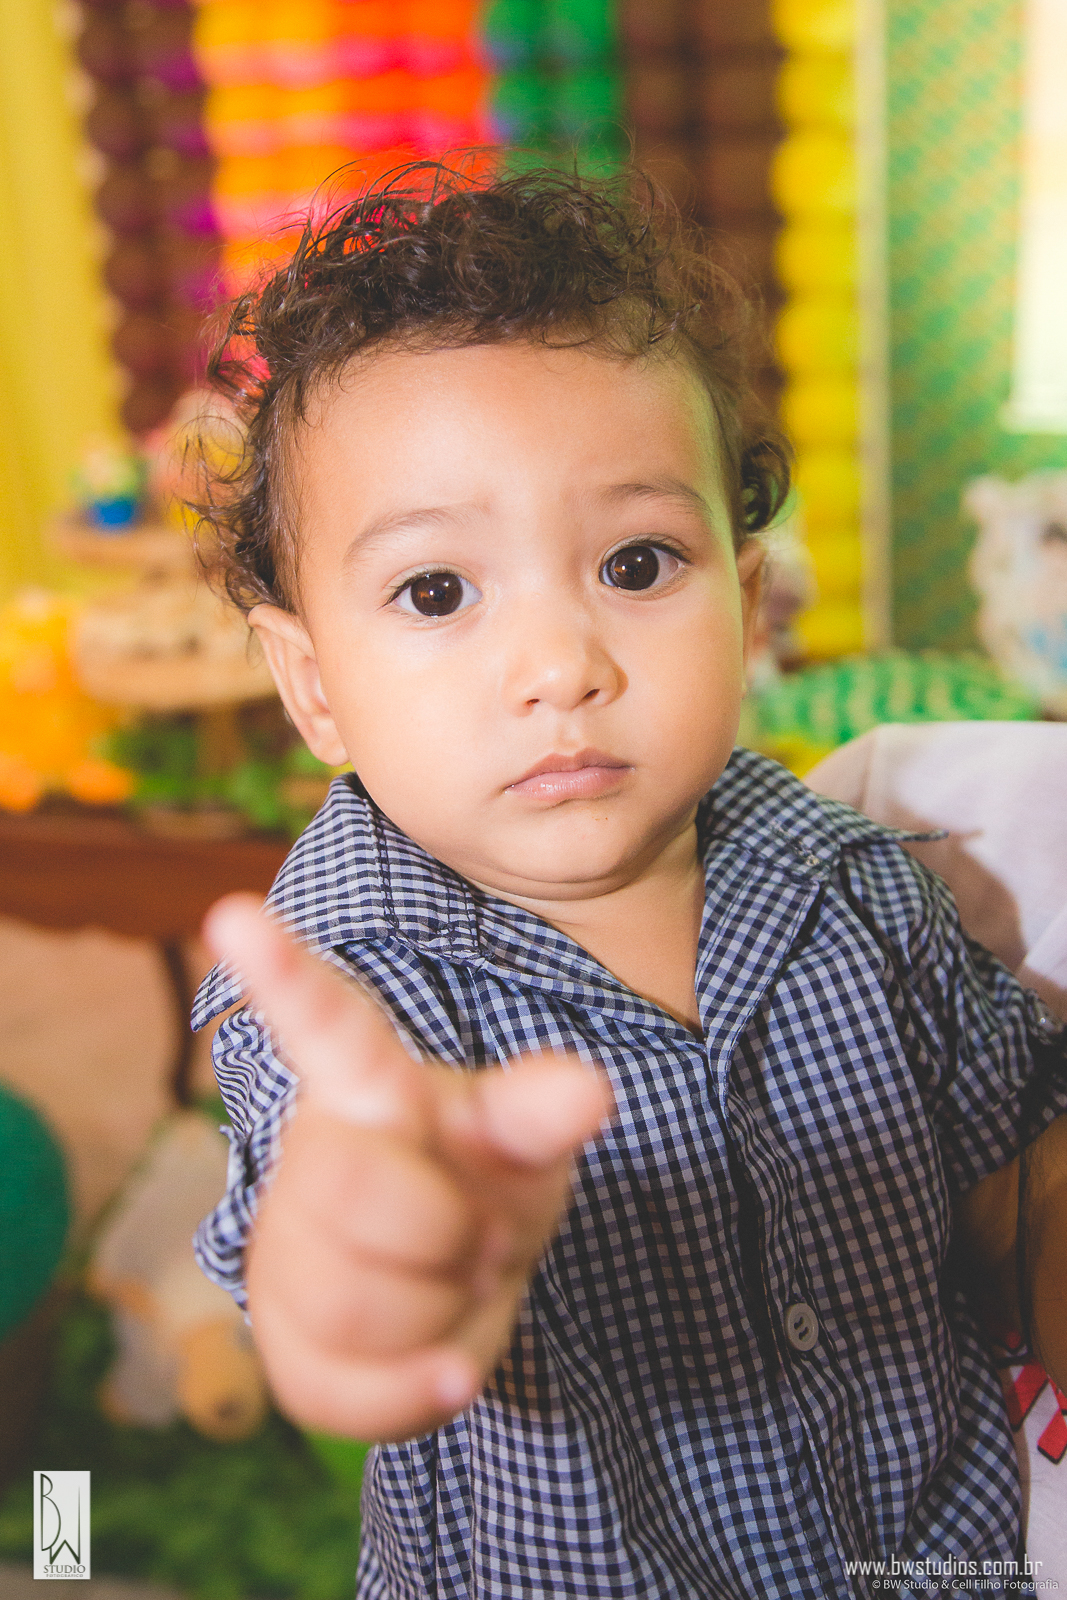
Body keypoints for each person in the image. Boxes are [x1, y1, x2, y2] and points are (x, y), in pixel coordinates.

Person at [191, 160, 1067, 1599]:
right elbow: (325, 1284)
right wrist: (374, 1260)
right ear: (314, 685)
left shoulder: (861, 881)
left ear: (747, 600)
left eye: (639, 563)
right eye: (437, 590)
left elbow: (1011, 1177)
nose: (561, 667)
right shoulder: (355, 994)